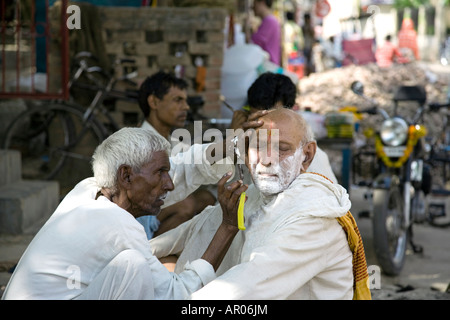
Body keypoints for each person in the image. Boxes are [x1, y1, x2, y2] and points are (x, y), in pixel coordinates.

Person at [150, 108, 371, 299]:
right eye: (257, 147)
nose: (266, 159)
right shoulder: (255, 195)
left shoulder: (314, 217)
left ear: (307, 156)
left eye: (282, 148)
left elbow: (244, 288)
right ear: (245, 153)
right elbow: (195, 227)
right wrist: (141, 252)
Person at [2, 128, 246, 300]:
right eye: (161, 172)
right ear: (126, 176)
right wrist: (227, 227)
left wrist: (228, 146)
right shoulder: (117, 223)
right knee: (134, 265)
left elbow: (180, 172)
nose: (169, 184)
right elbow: (175, 295)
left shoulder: (89, 188)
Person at [137, 71, 216, 239]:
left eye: (185, 101)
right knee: (186, 205)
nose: (186, 107)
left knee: (208, 199)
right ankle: (152, 252)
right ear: (154, 102)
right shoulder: (141, 141)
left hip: (160, 205)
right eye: (177, 100)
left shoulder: (169, 140)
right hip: (141, 214)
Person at [230, 72, 337, 183]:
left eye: (274, 120)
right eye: (257, 121)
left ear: (290, 112)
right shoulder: (248, 145)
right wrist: (233, 142)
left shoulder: (309, 157)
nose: (264, 129)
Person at [246, 0, 281, 65]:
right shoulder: (270, 20)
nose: (253, 7)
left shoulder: (270, 21)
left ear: (262, 2)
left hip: (268, 66)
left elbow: (255, 43)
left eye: (254, 4)